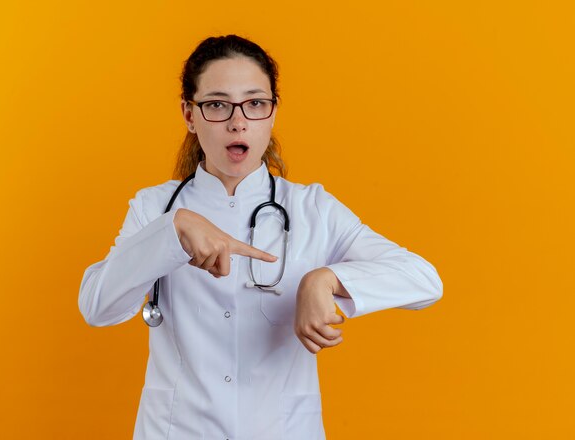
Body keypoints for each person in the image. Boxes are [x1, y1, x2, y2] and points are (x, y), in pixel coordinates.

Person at [78, 34, 443, 440]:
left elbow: (424, 279)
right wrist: (172, 232)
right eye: (217, 104)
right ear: (188, 114)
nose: (238, 121)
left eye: (254, 103)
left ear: (272, 114)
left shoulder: (311, 209)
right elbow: (97, 307)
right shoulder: (155, 209)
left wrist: (324, 280)